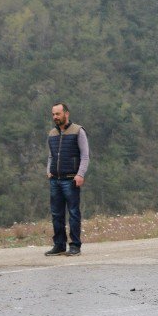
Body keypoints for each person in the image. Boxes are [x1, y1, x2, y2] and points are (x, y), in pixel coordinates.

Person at [45, 102, 89, 257]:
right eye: (53, 114)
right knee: (56, 214)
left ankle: (75, 245)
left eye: (58, 114)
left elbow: (85, 156)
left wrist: (80, 174)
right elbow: (51, 155)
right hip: (55, 180)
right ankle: (59, 245)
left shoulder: (78, 131)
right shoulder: (52, 134)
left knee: (73, 213)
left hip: (70, 180)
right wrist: (48, 170)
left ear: (66, 114)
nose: (55, 117)